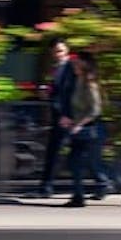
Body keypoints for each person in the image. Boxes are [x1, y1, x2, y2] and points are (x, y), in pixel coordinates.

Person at [62, 53, 121, 207]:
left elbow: (95, 110)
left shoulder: (90, 84)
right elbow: (76, 107)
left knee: (95, 164)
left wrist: (79, 124)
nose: (74, 66)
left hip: (92, 130)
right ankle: (78, 197)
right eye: (74, 64)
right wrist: (69, 119)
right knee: (74, 162)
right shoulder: (77, 81)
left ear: (85, 65)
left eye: (77, 64)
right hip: (79, 129)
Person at [33, 39, 79, 198]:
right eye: (55, 51)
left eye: (60, 50)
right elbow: (57, 91)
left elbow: (71, 93)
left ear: (67, 50)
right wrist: (46, 92)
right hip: (59, 115)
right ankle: (46, 187)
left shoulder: (71, 67)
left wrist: (67, 115)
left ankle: (46, 187)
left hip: (67, 116)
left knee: (58, 152)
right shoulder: (55, 69)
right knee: (56, 152)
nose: (58, 53)